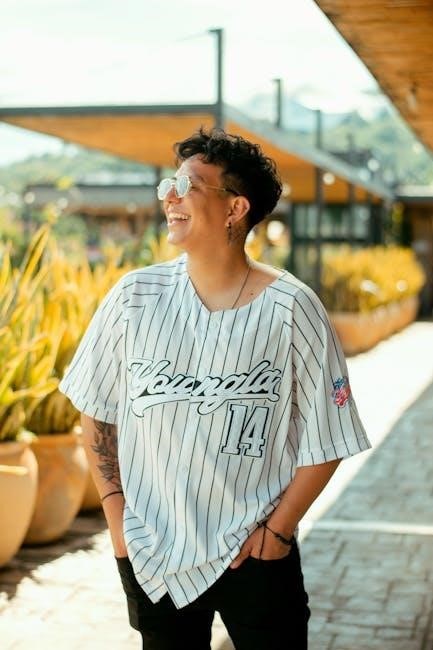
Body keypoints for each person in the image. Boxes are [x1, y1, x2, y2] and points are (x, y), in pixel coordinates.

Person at [59, 127, 371, 650]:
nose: (170, 197)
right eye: (168, 185)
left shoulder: (292, 308)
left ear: (235, 208)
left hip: (255, 552)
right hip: (153, 551)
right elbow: (97, 409)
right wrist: (117, 520)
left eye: (187, 185)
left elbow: (330, 434)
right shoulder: (134, 297)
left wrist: (278, 532)